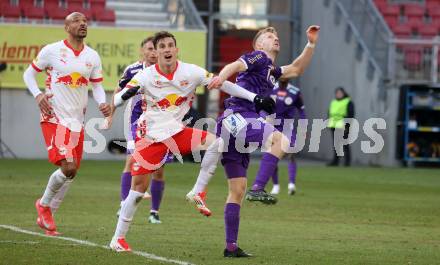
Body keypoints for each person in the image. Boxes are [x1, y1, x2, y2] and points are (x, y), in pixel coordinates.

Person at [108, 31, 275, 252]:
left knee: (217, 142)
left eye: (170, 45)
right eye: (162, 47)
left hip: (178, 132)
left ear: (176, 50)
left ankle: (196, 192)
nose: (167, 49)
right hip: (150, 137)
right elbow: (120, 97)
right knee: (138, 191)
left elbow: (221, 83)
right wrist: (118, 100)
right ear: (156, 52)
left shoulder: (191, 72)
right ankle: (118, 238)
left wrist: (254, 98)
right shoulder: (145, 76)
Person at [188, 25, 320, 257]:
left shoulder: (272, 71)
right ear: (259, 44)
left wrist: (310, 44)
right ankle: (259, 187)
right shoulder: (258, 56)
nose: (275, 38)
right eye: (270, 36)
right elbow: (236, 65)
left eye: (276, 35)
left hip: (235, 123)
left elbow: (298, 68)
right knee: (280, 140)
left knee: (237, 190)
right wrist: (221, 77)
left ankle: (231, 247)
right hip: (238, 117)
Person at [22, 12, 111, 236]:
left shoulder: (92, 56)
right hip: (54, 117)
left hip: (77, 121)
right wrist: (37, 95)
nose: (83, 24)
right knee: (68, 167)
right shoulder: (51, 51)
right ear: (66, 27)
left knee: (71, 173)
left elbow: (97, 86)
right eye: (77, 21)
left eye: (85, 21)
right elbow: (28, 75)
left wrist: (102, 103)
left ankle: (46, 211)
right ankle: (44, 206)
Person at [109, 36, 169, 224]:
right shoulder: (133, 70)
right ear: (142, 51)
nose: (153, 53)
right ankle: (123, 203)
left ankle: (154, 212)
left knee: (158, 168)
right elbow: (118, 91)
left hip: (160, 122)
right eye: (149, 49)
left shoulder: (167, 70)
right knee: (131, 159)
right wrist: (110, 113)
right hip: (136, 121)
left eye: (155, 49)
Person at [266, 80, 306, 196]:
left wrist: (303, 128)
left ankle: (291, 184)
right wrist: (264, 118)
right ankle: (276, 186)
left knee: (291, 154)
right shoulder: (271, 89)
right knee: (273, 156)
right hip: (273, 127)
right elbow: (262, 106)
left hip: (288, 128)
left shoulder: (294, 91)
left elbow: (302, 111)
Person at [327, 86, 355, 166]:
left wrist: (348, 126)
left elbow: (351, 114)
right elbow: (330, 113)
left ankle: (347, 162)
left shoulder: (348, 102)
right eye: (337, 93)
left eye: (340, 93)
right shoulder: (333, 102)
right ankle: (335, 161)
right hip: (334, 126)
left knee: (345, 144)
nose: (338, 94)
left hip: (343, 126)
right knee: (336, 145)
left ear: (343, 93)